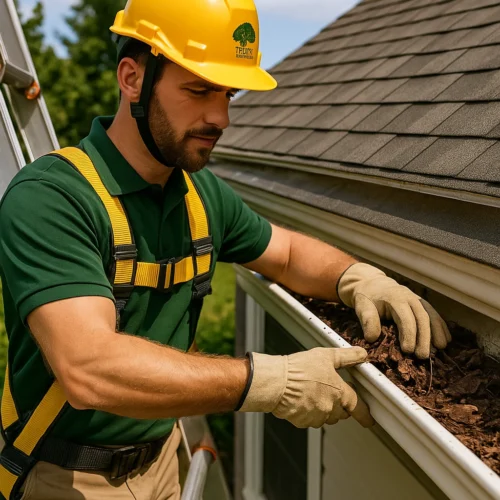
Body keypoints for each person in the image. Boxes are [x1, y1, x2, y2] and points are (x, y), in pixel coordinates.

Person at [0, 1, 451, 499]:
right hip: (66, 479)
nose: (221, 117)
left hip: (163, 461)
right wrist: (270, 382)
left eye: (228, 93)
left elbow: (286, 253)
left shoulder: (199, 195)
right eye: (198, 90)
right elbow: (90, 368)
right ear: (132, 79)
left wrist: (358, 278)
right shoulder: (53, 197)